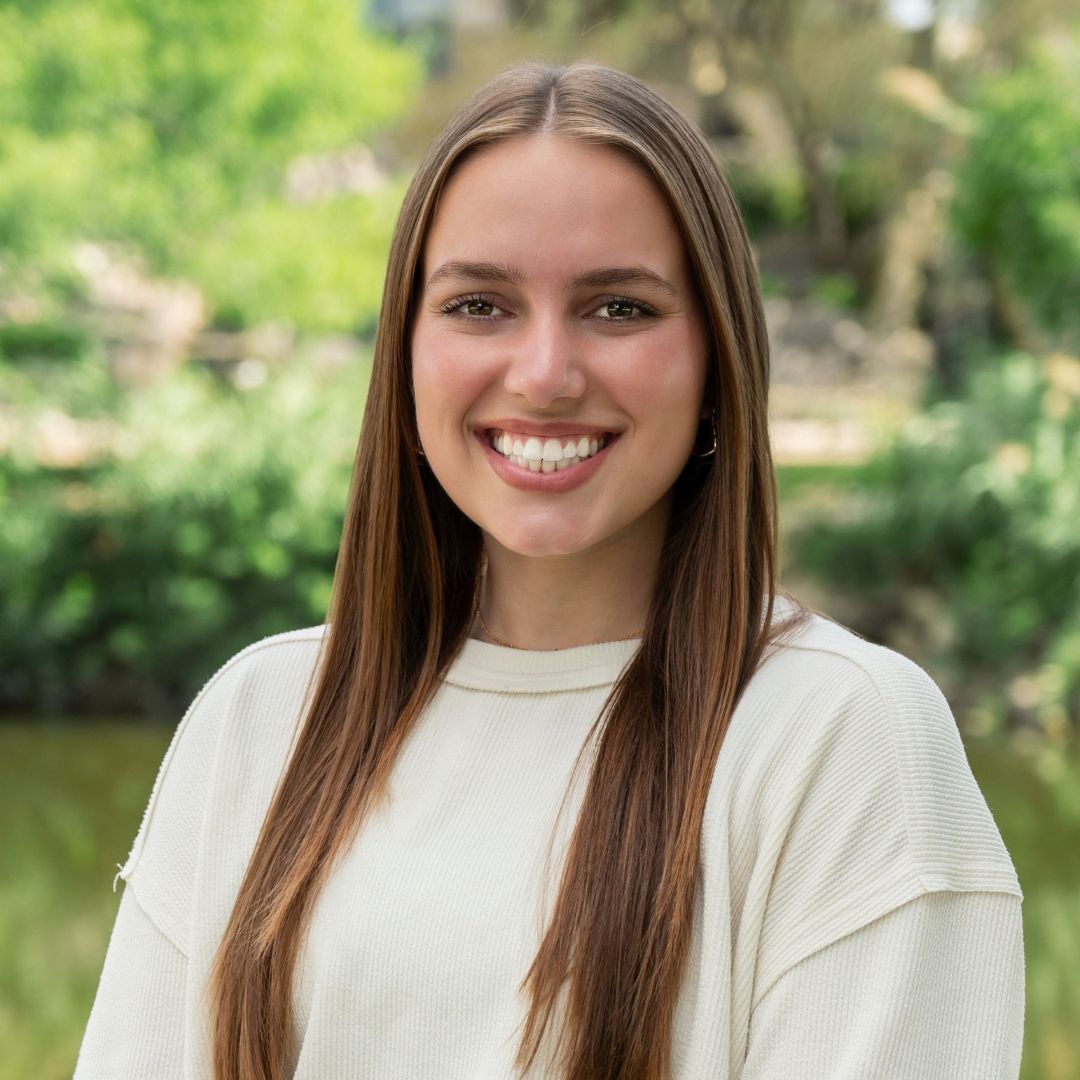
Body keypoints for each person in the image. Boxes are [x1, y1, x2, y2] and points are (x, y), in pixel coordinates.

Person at [74, 61, 1024, 1080]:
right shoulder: (259, 721)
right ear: (405, 350)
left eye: (618, 309)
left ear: (717, 359)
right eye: (479, 305)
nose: (543, 375)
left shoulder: (840, 740)